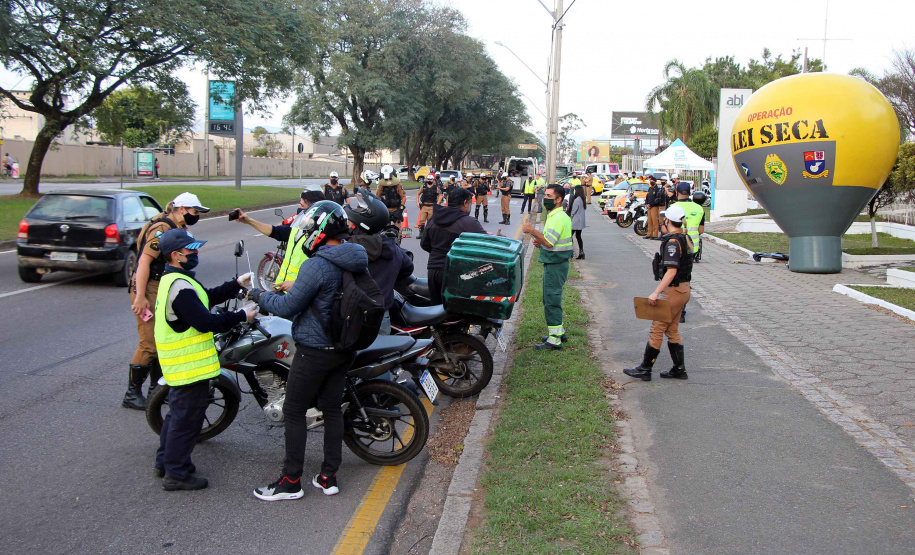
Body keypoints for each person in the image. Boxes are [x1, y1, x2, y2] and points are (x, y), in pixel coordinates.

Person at [249, 201, 368, 502]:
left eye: (310, 230)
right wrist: (297, 285)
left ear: (319, 230)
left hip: (315, 350)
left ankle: (290, 481)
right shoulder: (355, 257)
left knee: (293, 411)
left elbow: (287, 307)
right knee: (331, 409)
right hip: (344, 347)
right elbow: (328, 294)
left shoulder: (316, 264)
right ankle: (328, 477)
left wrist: (258, 295)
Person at [154, 228, 257, 490]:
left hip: (180, 365)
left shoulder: (175, 279)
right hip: (189, 367)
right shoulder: (180, 285)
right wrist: (241, 316)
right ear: (176, 255)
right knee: (187, 421)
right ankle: (177, 474)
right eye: (191, 250)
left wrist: (236, 285)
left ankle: (164, 462)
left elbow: (206, 299)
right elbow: (205, 322)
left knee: (176, 415)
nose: (196, 253)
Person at [124, 192, 204, 410]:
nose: (196, 215)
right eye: (194, 211)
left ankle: (155, 390)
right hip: (148, 286)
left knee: (162, 341)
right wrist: (140, 296)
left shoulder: (177, 228)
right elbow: (143, 263)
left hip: (160, 287)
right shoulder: (161, 229)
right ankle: (132, 393)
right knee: (149, 343)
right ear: (181, 209)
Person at [624, 204, 693, 381]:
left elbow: (671, 271)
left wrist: (656, 292)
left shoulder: (672, 242)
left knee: (657, 328)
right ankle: (679, 369)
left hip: (674, 291)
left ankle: (645, 369)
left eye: (664, 219)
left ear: (668, 221)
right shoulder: (684, 237)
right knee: (672, 329)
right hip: (684, 290)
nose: (662, 221)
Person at [345, 189, 414, 334]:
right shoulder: (391, 248)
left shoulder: (348, 248)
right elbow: (408, 268)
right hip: (382, 313)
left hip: (354, 313)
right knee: (383, 355)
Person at [232, 188, 327, 291]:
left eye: (301, 205)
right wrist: (248, 220)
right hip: (283, 292)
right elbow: (274, 231)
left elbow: (323, 274)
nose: (299, 209)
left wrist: (297, 284)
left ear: (312, 209)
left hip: (299, 295)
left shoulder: (324, 238)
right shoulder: (296, 229)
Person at [521, 185, 573, 351]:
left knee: (551, 300)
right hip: (555, 262)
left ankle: (554, 340)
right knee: (551, 298)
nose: (546, 199)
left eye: (550, 196)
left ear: (558, 200)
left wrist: (531, 231)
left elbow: (550, 242)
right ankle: (559, 332)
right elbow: (551, 242)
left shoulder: (558, 217)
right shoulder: (556, 215)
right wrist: (540, 244)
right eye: (546, 195)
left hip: (556, 265)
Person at [421, 187, 488, 305]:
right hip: (456, 273)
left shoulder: (433, 219)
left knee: (435, 310)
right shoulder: (469, 223)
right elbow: (487, 246)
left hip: (433, 270)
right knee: (456, 311)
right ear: (465, 203)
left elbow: (424, 244)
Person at [667, 183, 706, 323]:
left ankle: (674, 310)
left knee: (672, 278)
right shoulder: (699, 208)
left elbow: (666, 229)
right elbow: (701, 230)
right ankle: (682, 312)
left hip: (675, 245)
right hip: (692, 248)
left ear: (677, 192)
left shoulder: (673, 208)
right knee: (685, 278)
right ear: (690, 192)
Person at [376, 165, 407, 231]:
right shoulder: (381, 186)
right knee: (386, 228)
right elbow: (377, 197)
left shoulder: (398, 186)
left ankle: (398, 238)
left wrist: (400, 210)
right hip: (385, 210)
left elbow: (403, 197)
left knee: (397, 227)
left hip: (396, 209)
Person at [416, 174, 442, 239]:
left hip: (432, 206)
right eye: (428, 179)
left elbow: (440, 196)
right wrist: (417, 202)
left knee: (430, 221)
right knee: (422, 220)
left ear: (433, 180)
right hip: (424, 206)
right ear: (426, 179)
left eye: (431, 179)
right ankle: (421, 234)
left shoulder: (436, 187)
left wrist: (437, 204)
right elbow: (418, 193)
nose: (429, 180)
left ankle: (430, 234)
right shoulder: (423, 186)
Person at [568, 184, 586, 260]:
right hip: (581, 221)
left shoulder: (577, 200)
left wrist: (570, 217)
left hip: (575, 220)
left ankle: (570, 252)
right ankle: (581, 252)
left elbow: (573, 210)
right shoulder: (582, 199)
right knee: (578, 236)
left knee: (569, 236)